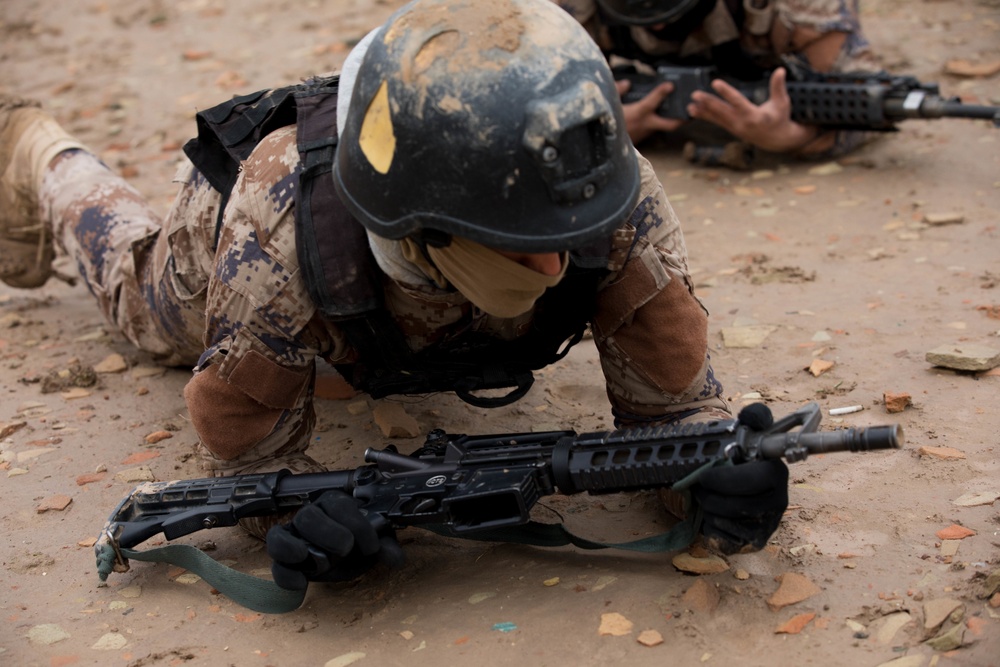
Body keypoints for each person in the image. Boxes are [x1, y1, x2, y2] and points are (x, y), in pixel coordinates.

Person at [0, 0, 788, 591]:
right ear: (419, 227)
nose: (558, 262)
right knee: (144, 309)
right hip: (244, 238)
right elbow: (251, 458)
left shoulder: (606, 194)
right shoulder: (277, 226)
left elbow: (674, 413)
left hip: (383, 270)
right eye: (517, 237)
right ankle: (44, 158)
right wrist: (299, 523)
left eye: (567, 227)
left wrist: (713, 478)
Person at [554, 0, 879, 161]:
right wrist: (600, 135)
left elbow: (872, 100)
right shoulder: (559, 9)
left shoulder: (800, 8)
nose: (659, 27)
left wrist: (793, 138)